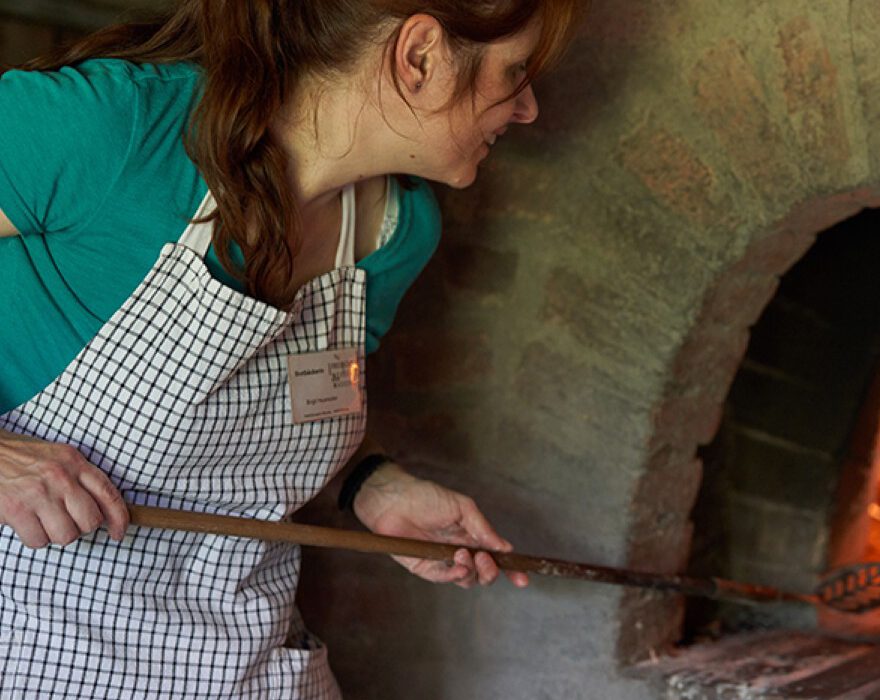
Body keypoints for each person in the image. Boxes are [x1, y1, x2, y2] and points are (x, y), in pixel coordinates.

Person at [0, 0, 583, 696]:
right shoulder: (116, 132)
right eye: (514, 73)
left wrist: (372, 484)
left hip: (247, 667)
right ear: (419, 56)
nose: (529, 110)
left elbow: (284, 411)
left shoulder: (395, 237)